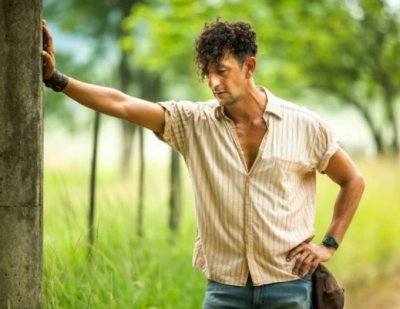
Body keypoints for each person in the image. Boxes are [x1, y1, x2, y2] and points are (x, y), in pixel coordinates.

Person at [42, 19, 364, 309]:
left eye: (221, 71)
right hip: (225, 291)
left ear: (249, 66)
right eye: (207, 72)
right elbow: (123, 104)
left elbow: (352, 179)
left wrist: (328, 244)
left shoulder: (304, 125)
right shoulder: (192, 123)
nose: (213, 82)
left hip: (289, 286)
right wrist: (57, 79)